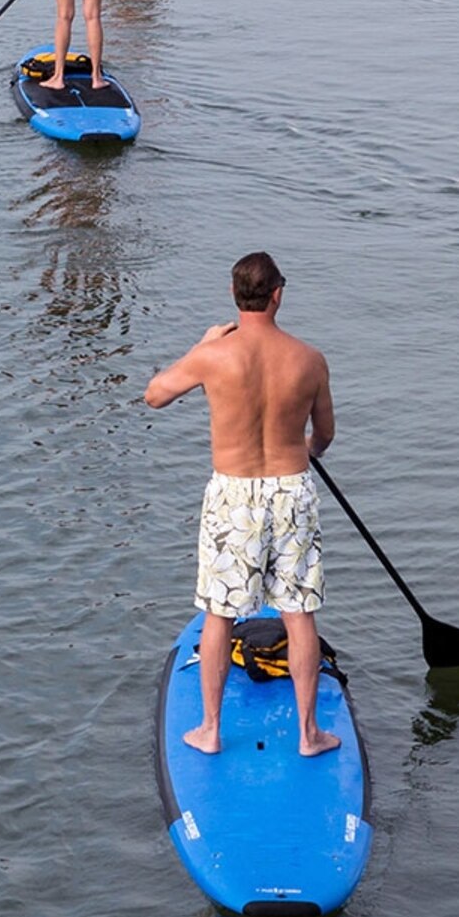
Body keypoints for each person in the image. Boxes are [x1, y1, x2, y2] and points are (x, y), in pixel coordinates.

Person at [144, 251, 340, 758]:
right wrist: (303, 451)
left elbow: (154, 395)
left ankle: (209, 730)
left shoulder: (214, 356)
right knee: (299, 613)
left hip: (234, 494)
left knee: (218, 614)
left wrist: (202, 346)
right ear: (278, 294)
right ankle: (309, 734)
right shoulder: (309, 359)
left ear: (235, 297)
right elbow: (325, 436)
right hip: (292, 489)